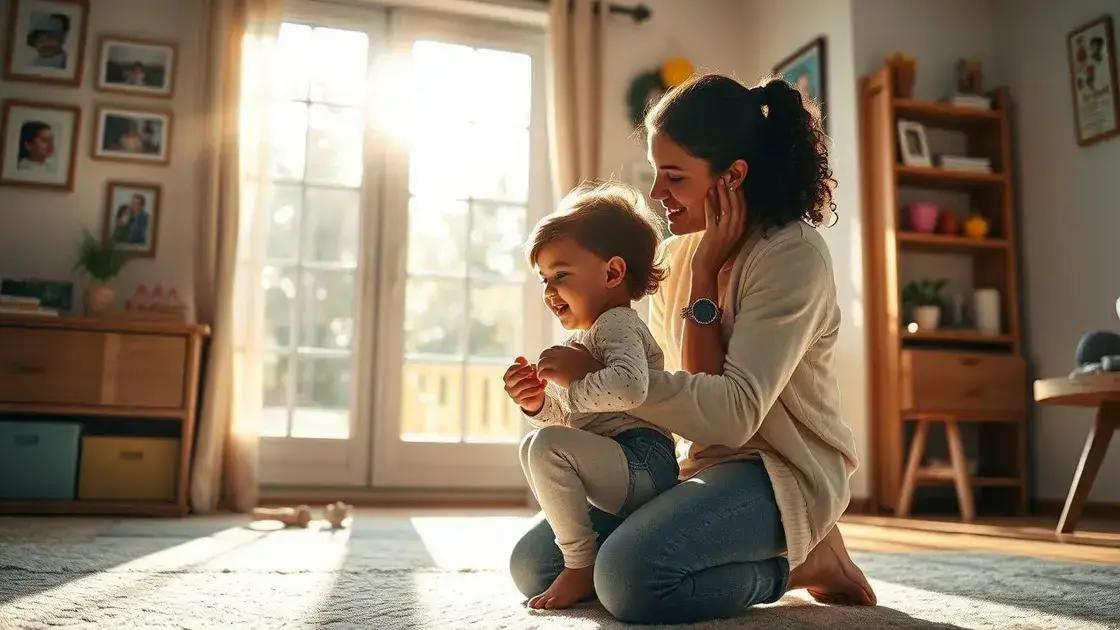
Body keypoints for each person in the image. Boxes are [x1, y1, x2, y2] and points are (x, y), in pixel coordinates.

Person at [509, 73, 875, 624]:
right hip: (698, 461)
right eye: (658, 174)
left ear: (732, 177)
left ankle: (807, 563)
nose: (657, 195)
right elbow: (694, 411)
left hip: (779, 470)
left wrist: (707, 271)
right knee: (536, 565)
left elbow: (730, 417)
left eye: (674, 177)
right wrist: (554, 399)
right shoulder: (675, 258)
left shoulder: (792, 257)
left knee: (629, 582)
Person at [504, 183, 679, 610]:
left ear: (613, 273)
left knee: (543, 446)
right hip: (617, 468)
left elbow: (629, 388)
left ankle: (581, 563)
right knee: (537, 444)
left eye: (560, 275)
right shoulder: (589, 334)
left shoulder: (615, 323)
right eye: (545, 278)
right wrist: (539, 404)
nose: (549, 291)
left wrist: (575, 382)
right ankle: (587, 561)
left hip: (643, 461)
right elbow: (571, 423)